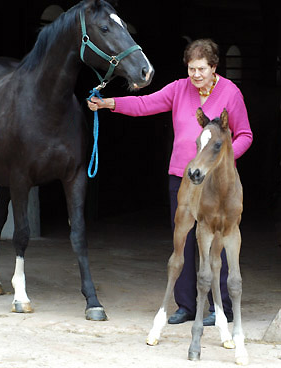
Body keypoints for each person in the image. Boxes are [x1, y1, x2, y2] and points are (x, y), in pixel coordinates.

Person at [88, 38, 253, 326]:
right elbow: (145, 104)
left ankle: (220, 306)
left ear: (214, 67)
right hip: (183, 177)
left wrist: (224, 161)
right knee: (183, 240)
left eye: (201, 69)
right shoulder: (179, 89)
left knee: (219, 242)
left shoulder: (230, 92)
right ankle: (186, 305)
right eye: (191, 69)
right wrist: (108, 103)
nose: (196, 75)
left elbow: (245, 135)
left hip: (216, 184)